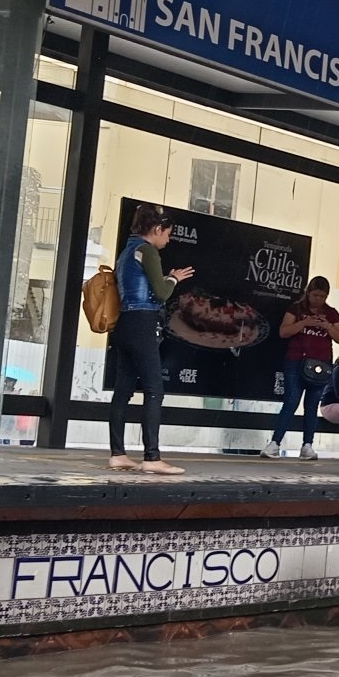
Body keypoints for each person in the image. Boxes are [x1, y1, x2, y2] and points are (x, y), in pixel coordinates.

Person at [108, 204, 193, 475]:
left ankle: (117, 453)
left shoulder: (126, 252)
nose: (167, 241)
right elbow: (161, 292)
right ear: (157, 229)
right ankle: (152, 457)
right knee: (155, 390)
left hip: (123, 323)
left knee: (122, 391)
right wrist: (173, 278)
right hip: (143, 323)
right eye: (167, 234)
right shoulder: (147, 251)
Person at [267, 275, 339, 460]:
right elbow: (283, 331)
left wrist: (326, 326)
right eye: (315, 295)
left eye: (322, 296)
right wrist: (304, 323)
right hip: (295, 361)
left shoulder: (331, 313)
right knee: (291, 401)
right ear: (308, 293)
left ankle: (307, 445)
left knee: (312, 405)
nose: (318, 300)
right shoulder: (296, 309)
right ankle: (274, 443)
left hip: (320, 364)